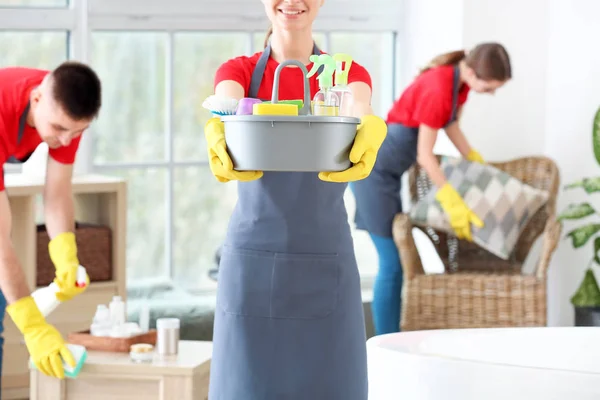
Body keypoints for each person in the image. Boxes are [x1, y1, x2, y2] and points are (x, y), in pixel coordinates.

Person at [203, 0, 387, 398]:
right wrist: (220, 125)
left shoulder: (344, 74)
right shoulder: (238, 72)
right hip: (252, 261)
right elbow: (226, 101)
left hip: (325, 257)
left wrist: (368, 122)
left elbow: (359, 102)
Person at [351, 43, 512, 336]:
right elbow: (425, 155)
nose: (490, 93)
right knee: (392, 263)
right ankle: (385, 343)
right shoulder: (439, 87)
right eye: (489, 88)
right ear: (473, 72)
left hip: (388, 175)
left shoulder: (457, 84)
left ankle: (393, 337)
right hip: (371, 173)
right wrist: (451, 198)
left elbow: (450, 127)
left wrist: (474, 160)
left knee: (397, 262)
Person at [0, 61, 101, 381]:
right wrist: (33, 326)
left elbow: (57, 193)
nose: (68, 141)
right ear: (37, 98)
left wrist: (66, 256)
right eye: (59, 129)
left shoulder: (66, 111)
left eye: (79, 131)